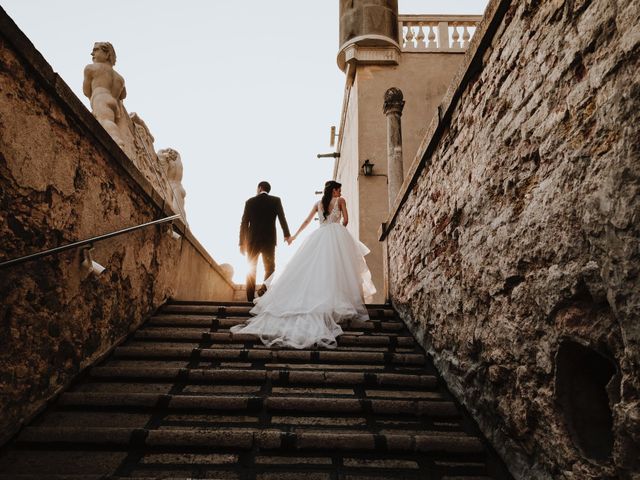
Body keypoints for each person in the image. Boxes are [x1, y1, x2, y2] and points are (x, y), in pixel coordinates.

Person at [231, 180, 376, 349]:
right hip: (332, 235)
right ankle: (334, 298)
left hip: (316, 236)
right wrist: (339, 228)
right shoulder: (340, 200)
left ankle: (255, 296)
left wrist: (293, 236)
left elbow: (306, 222)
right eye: (339, 189)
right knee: (336, 269)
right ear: (335, 190)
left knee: (312, 269)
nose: (339, 192)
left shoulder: (318, 204)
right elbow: (346, 221)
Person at [239, 181, 291, 302]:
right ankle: (263, 291)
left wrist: (242, 243)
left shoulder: (250, 202)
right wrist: (287, 234)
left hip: (252, 241)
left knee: (251, 268)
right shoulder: (276, 200)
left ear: (260, 188)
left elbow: (244, 223)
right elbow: (282, 218)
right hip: (269, 240)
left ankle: (250, 299)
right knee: (270, 267)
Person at [82, 42, 126, 148]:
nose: (92, 53)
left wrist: (93, 98)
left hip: (100, 98)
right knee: (105, 121)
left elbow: (86, 90)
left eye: (96, 50)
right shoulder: (120, 78)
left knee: (104, 120)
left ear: (107, 55)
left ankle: (117, 141)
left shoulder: (92, 68)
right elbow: (123, 95)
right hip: (113, 103)